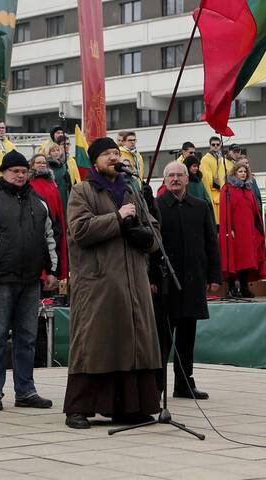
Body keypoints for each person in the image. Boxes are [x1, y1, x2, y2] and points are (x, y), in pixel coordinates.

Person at [63, 137, 161, 429]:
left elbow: (153, 228)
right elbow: (79, 230)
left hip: (133, 281)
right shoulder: (82, 190)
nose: (113, 157)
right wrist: (116, 218)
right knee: (94, 344)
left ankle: (130, 408)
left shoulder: (132, 189)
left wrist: (148, 238)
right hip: (99, 283)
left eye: (116, 153)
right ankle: (79, 408)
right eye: (106, 154)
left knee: (134, 342)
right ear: (94, 161)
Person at [0, 151, 58, 411]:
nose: (19, 175)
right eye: (14, 171)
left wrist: (52, 270)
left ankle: (25, 390)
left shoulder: (38, 202)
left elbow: (51, 236)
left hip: (31, 281)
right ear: (3, 172)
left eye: (23, 170)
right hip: (1, 280)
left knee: (27, 337)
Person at [153, 162, 220, 398]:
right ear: (164, 180)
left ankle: (184, 383)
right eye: (170, 175)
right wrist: (151, 277)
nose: (175, 179)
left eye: (179, 175)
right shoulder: (156, 206)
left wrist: (214, 275)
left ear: (186, 179)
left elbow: (211, 243)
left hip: (192, 282)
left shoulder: (200, 207)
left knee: (187, 337)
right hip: (164, 283)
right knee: (162, 337)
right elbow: (149, 247)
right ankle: (156, 385)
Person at [221, 163, 266, 298]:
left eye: (245, 171)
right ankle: (231, 288)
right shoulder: (227, 189)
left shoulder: (248, 190)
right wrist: (230, 229)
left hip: (247, 232)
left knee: (246, 261)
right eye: (240, 171)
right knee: (233, 259)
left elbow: (254, 211)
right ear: (234, 173)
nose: (243, 174)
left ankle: (244, 287)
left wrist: (257, 229)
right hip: (235, 232)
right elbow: (225, 212)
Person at [29, 153, 67, 278]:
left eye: (44, 162)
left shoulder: (51, 183)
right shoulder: (30, 183)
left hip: (53, 222)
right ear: (33, 165)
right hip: (37, 222)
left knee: (54, 248)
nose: (42, 165)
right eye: (38, 162)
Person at [199, 136, 226, 225]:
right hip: (213, 195)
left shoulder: (221, 159)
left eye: (217, 144)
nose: (215, 146)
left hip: (222, 194)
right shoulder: (205, 159)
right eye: (213, 144)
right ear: (210, 146)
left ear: (220, 145)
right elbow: (206, 179)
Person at [46, 142, 73, 210]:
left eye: (58, 150)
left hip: (64, 195)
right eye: (53, 151)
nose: (56, 152)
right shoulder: (47, 166)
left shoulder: (63, 165)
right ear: (48, 153)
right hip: (53, 196)